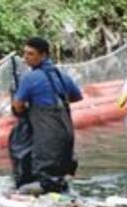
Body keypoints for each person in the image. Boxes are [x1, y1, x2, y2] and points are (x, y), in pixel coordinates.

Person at [9, 36, 82, 193]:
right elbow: (77, 96)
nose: (25, 57)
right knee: (61, 175)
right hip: (66, 133)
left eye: (31, 54)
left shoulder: (30, 77)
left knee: (36, 182)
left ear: (43, 55)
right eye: (25, 53)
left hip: (47, 138)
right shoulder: (61, 75)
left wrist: (29, 111)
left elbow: (18, 105)